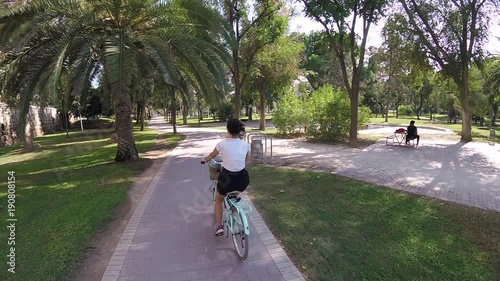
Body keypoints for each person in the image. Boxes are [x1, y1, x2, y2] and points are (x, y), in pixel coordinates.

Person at [202, 119, 250, 236]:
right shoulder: (246, 145)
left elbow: (211, 155)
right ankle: (234, 207)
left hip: (227, 179)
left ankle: (219, 226)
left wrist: (205, 160)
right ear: (239, 131)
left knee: (218, 200)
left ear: (228, 130)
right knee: (236, 190)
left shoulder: (221, 144)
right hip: (243, 179)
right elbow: (244, 159)